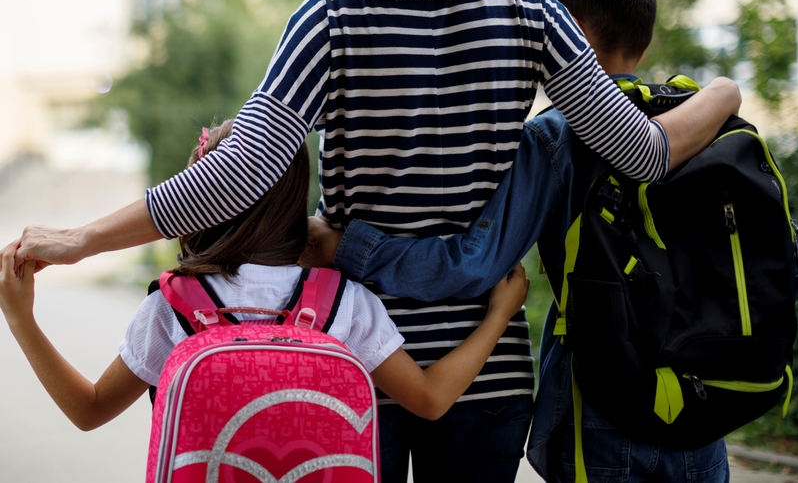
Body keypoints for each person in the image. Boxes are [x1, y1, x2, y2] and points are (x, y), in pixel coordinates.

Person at [13, 0, 741, 482]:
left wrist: (79, 240)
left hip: (354, 357)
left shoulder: (332, 16)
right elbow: (644, 155)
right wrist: (723, 92)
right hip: (487, 365)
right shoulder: (530, 10)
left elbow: (238, 174)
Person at [305, 0, 734, 482]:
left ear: (567, 33)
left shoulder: (554, 139)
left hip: (607, 402)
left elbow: (472, 264)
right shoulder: (700, 122)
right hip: (705, 409)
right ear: (641, 47)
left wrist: (345, 246)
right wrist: (724, 90)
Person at [0, 120, 530, 436]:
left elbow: (89, 411)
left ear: (195, 203)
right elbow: (431, 400)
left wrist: (21, 318)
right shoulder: (343, 302)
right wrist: (498, 317)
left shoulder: (173, 307)